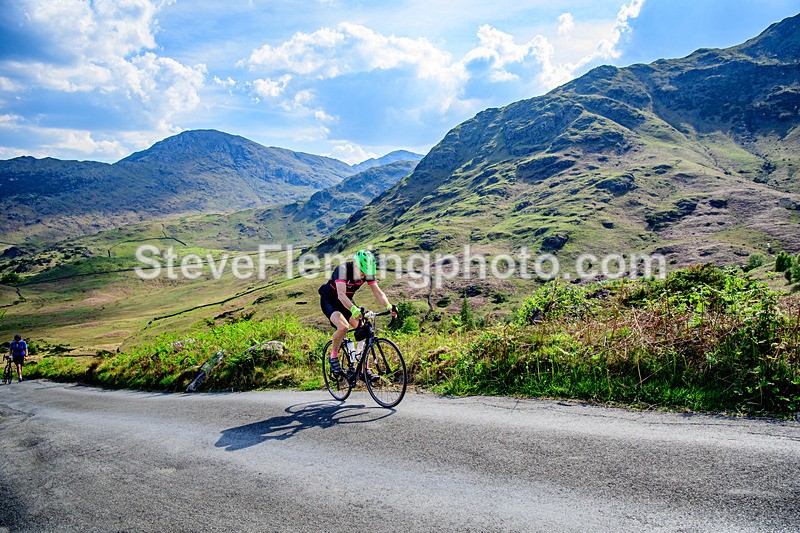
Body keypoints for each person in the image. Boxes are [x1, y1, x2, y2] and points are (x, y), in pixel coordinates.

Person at [318, 250, 397, 376]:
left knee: (364, 327)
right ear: (355, 264)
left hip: (347, 301)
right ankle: (333, 356)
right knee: (343, 327)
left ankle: (362, 365)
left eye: (366, 273)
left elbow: (378, 292)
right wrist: (353, 309)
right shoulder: (343, 270)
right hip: (330, 300)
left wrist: (388, 306)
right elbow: (341, 295)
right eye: (362, 271)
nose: (363, 275)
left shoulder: (366, 273)